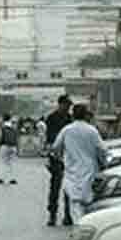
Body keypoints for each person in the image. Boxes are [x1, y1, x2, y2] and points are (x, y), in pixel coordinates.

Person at [54, 103, 106, 219]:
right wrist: (103, 164)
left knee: (74, 202)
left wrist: (61, 159)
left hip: (71, 172)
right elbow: (102, 150)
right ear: (86, 115)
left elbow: (56, 148)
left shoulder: (66, 130)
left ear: (73, 115)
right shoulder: (92, 130)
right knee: (88, 202)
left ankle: (79, 223)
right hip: (90, 171)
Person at [44, 95, 73, 226]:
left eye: (69, 106)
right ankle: (52, 214)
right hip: (56, 156)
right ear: (60, 104)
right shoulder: (51, 118)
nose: (68, 108)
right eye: (66, 105)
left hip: (69, 156)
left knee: (68, 186)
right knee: (55, 185)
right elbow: (49, 138)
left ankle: (68, 214)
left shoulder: (70, 118)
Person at [0, 113, 19, 185]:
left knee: (2, 162)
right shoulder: (14, 127)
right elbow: (17, 138)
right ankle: (12, 178)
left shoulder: (2, 127)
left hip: (5, 146)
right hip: (13, 147)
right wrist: (17, 148)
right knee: (11, 163)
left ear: (3, 118)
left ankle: (1, 178)